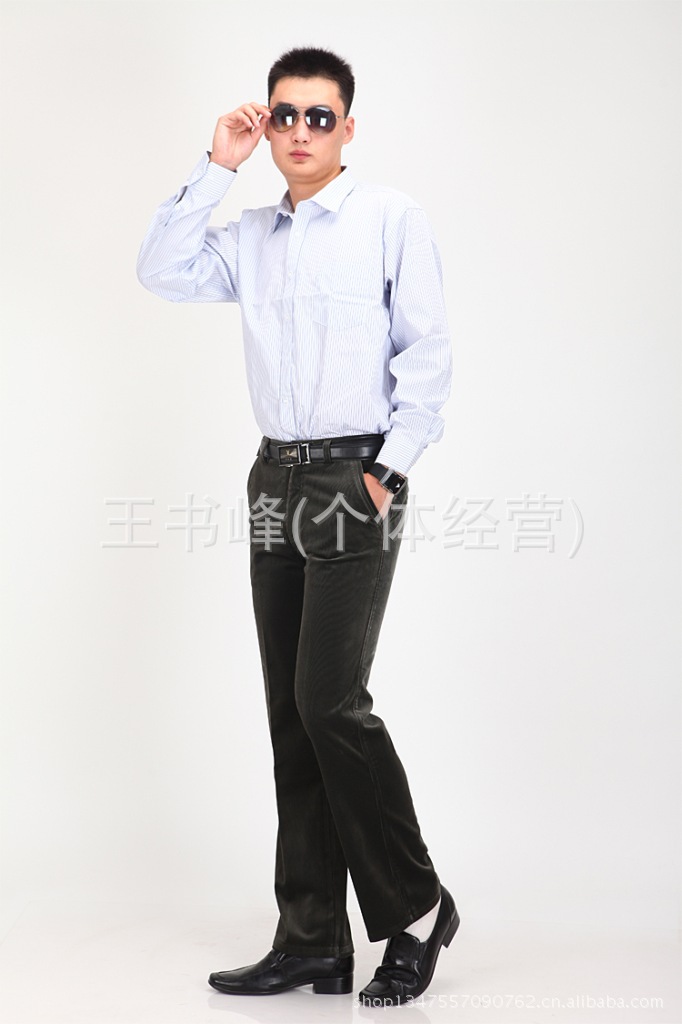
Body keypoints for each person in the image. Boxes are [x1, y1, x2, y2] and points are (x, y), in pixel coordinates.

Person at [136, 45, 458, 1007]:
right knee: (292, 715)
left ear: (348, 128)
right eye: (286, 115)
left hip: (355, 477)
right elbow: (160, 270)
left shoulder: (390, 219)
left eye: (321, 116)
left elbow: (429, 353)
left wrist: (387, 473)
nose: (302, 131)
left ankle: (416, 909)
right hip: (274, 476)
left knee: (331, 703)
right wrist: (217, 165)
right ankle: (312, 938)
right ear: (266, 124)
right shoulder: (250, 235)